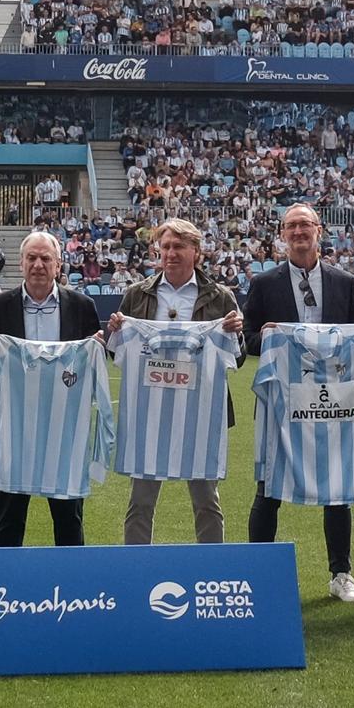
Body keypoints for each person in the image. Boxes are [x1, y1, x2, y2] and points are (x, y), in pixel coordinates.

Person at [242, 203, 354, 603]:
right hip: (283, 399)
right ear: (282, 234)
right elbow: (247, 341)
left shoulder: (343, 281)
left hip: (330, 398)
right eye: (292, 226)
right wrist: (268, 337)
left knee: (337, 486)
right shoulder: (264, 283)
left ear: (319, 231)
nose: (299, 232)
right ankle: (258, 573)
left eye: (306, 225)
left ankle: (341, 574)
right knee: (270, 487)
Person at [110, 218, 244, 545]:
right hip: (150, 412)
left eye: (179, 247)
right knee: (140, 502)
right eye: (166, 246)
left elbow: (236, 358)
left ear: (195, 252)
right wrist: (116, 329)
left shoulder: (220, 296)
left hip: (200, 413)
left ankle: (209, 569)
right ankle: (137, 566)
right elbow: (118, 354)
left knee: (206, 502)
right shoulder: (137, 294)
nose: (171, 253)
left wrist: (235, 335)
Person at [0, 231, 103, 546]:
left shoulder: (82, 305)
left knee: (69, 518)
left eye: (46, 258)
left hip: (65, 431)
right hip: (14, 430)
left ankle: (71, 585)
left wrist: (102, 345)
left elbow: (98, 360)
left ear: (59, 264)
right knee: (9, 518)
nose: (38, 265)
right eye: (32, 258)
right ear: (21, 263)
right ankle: (5, 585)